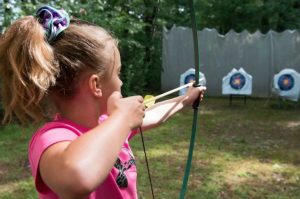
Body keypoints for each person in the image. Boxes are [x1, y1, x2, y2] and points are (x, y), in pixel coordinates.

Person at [0, 5, 206, 199]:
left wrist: (184, 100)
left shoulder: (108, 122)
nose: (121, 81)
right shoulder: (51, 139)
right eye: (117, 73)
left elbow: (151, 114)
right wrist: (121, 119)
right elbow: (76, 178)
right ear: (96, 85)